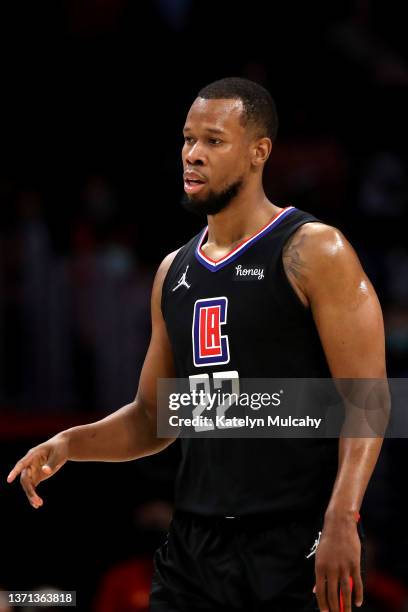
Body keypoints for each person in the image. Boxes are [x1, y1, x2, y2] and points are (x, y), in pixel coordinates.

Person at [7, 78, 387, 612]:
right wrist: (72, 442)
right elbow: (153, 419)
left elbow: (367, 399)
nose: (193, 155)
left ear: (259, 152)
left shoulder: (314, 249)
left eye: (213, 140)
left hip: (293, 541)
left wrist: (343, 517)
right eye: (188, 140)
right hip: (194, 547)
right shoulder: (174, 271)